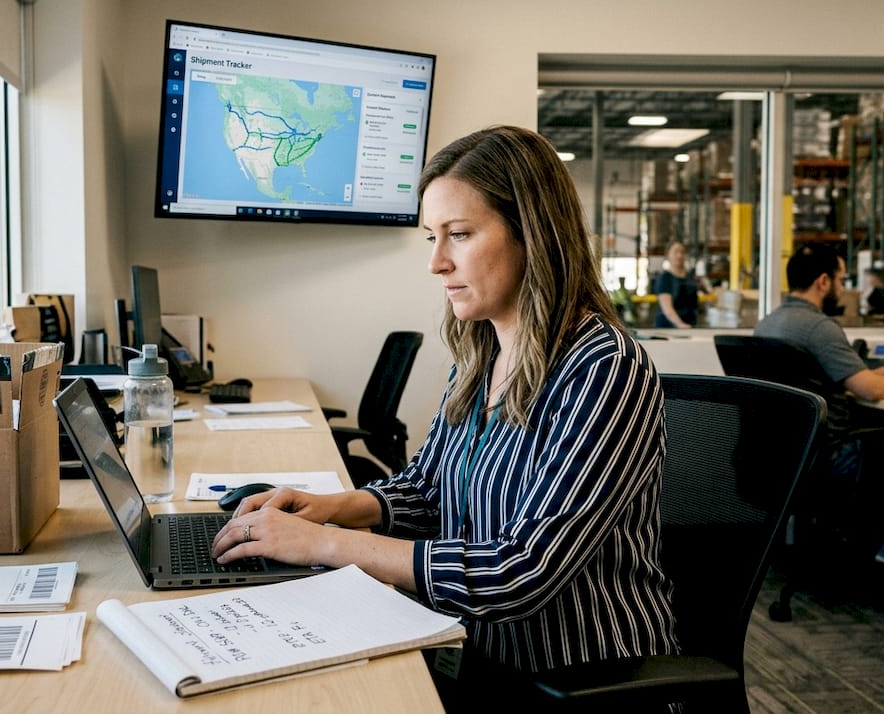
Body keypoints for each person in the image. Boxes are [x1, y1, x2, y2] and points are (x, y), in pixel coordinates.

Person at [211, 125, 679, 708]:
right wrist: (332, 508)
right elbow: (428, 489)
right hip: (475, 651)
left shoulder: (606, 367)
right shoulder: (480, 355)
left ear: (533, 235)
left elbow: (521, 574)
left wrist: (322, 544)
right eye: (432, 237)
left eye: (458, 235)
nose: (436, 263)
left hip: (579, 679)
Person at [755, 243, 884, 568]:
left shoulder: (769, 323)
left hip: (781, 453)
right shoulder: (819, 327)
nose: (842, 287)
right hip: (834, 456)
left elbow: (831, 378)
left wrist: (862, 373)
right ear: (823, 282)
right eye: (840, 279)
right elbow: (870, 390)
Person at [651, 241, 701, 328]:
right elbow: (668, 309)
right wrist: (681, 325)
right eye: (675, 252)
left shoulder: (691, 278)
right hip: (668, 329)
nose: (679, 255)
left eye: (682, 252)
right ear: (668, 255)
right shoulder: (665, 278)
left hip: (690, 326)